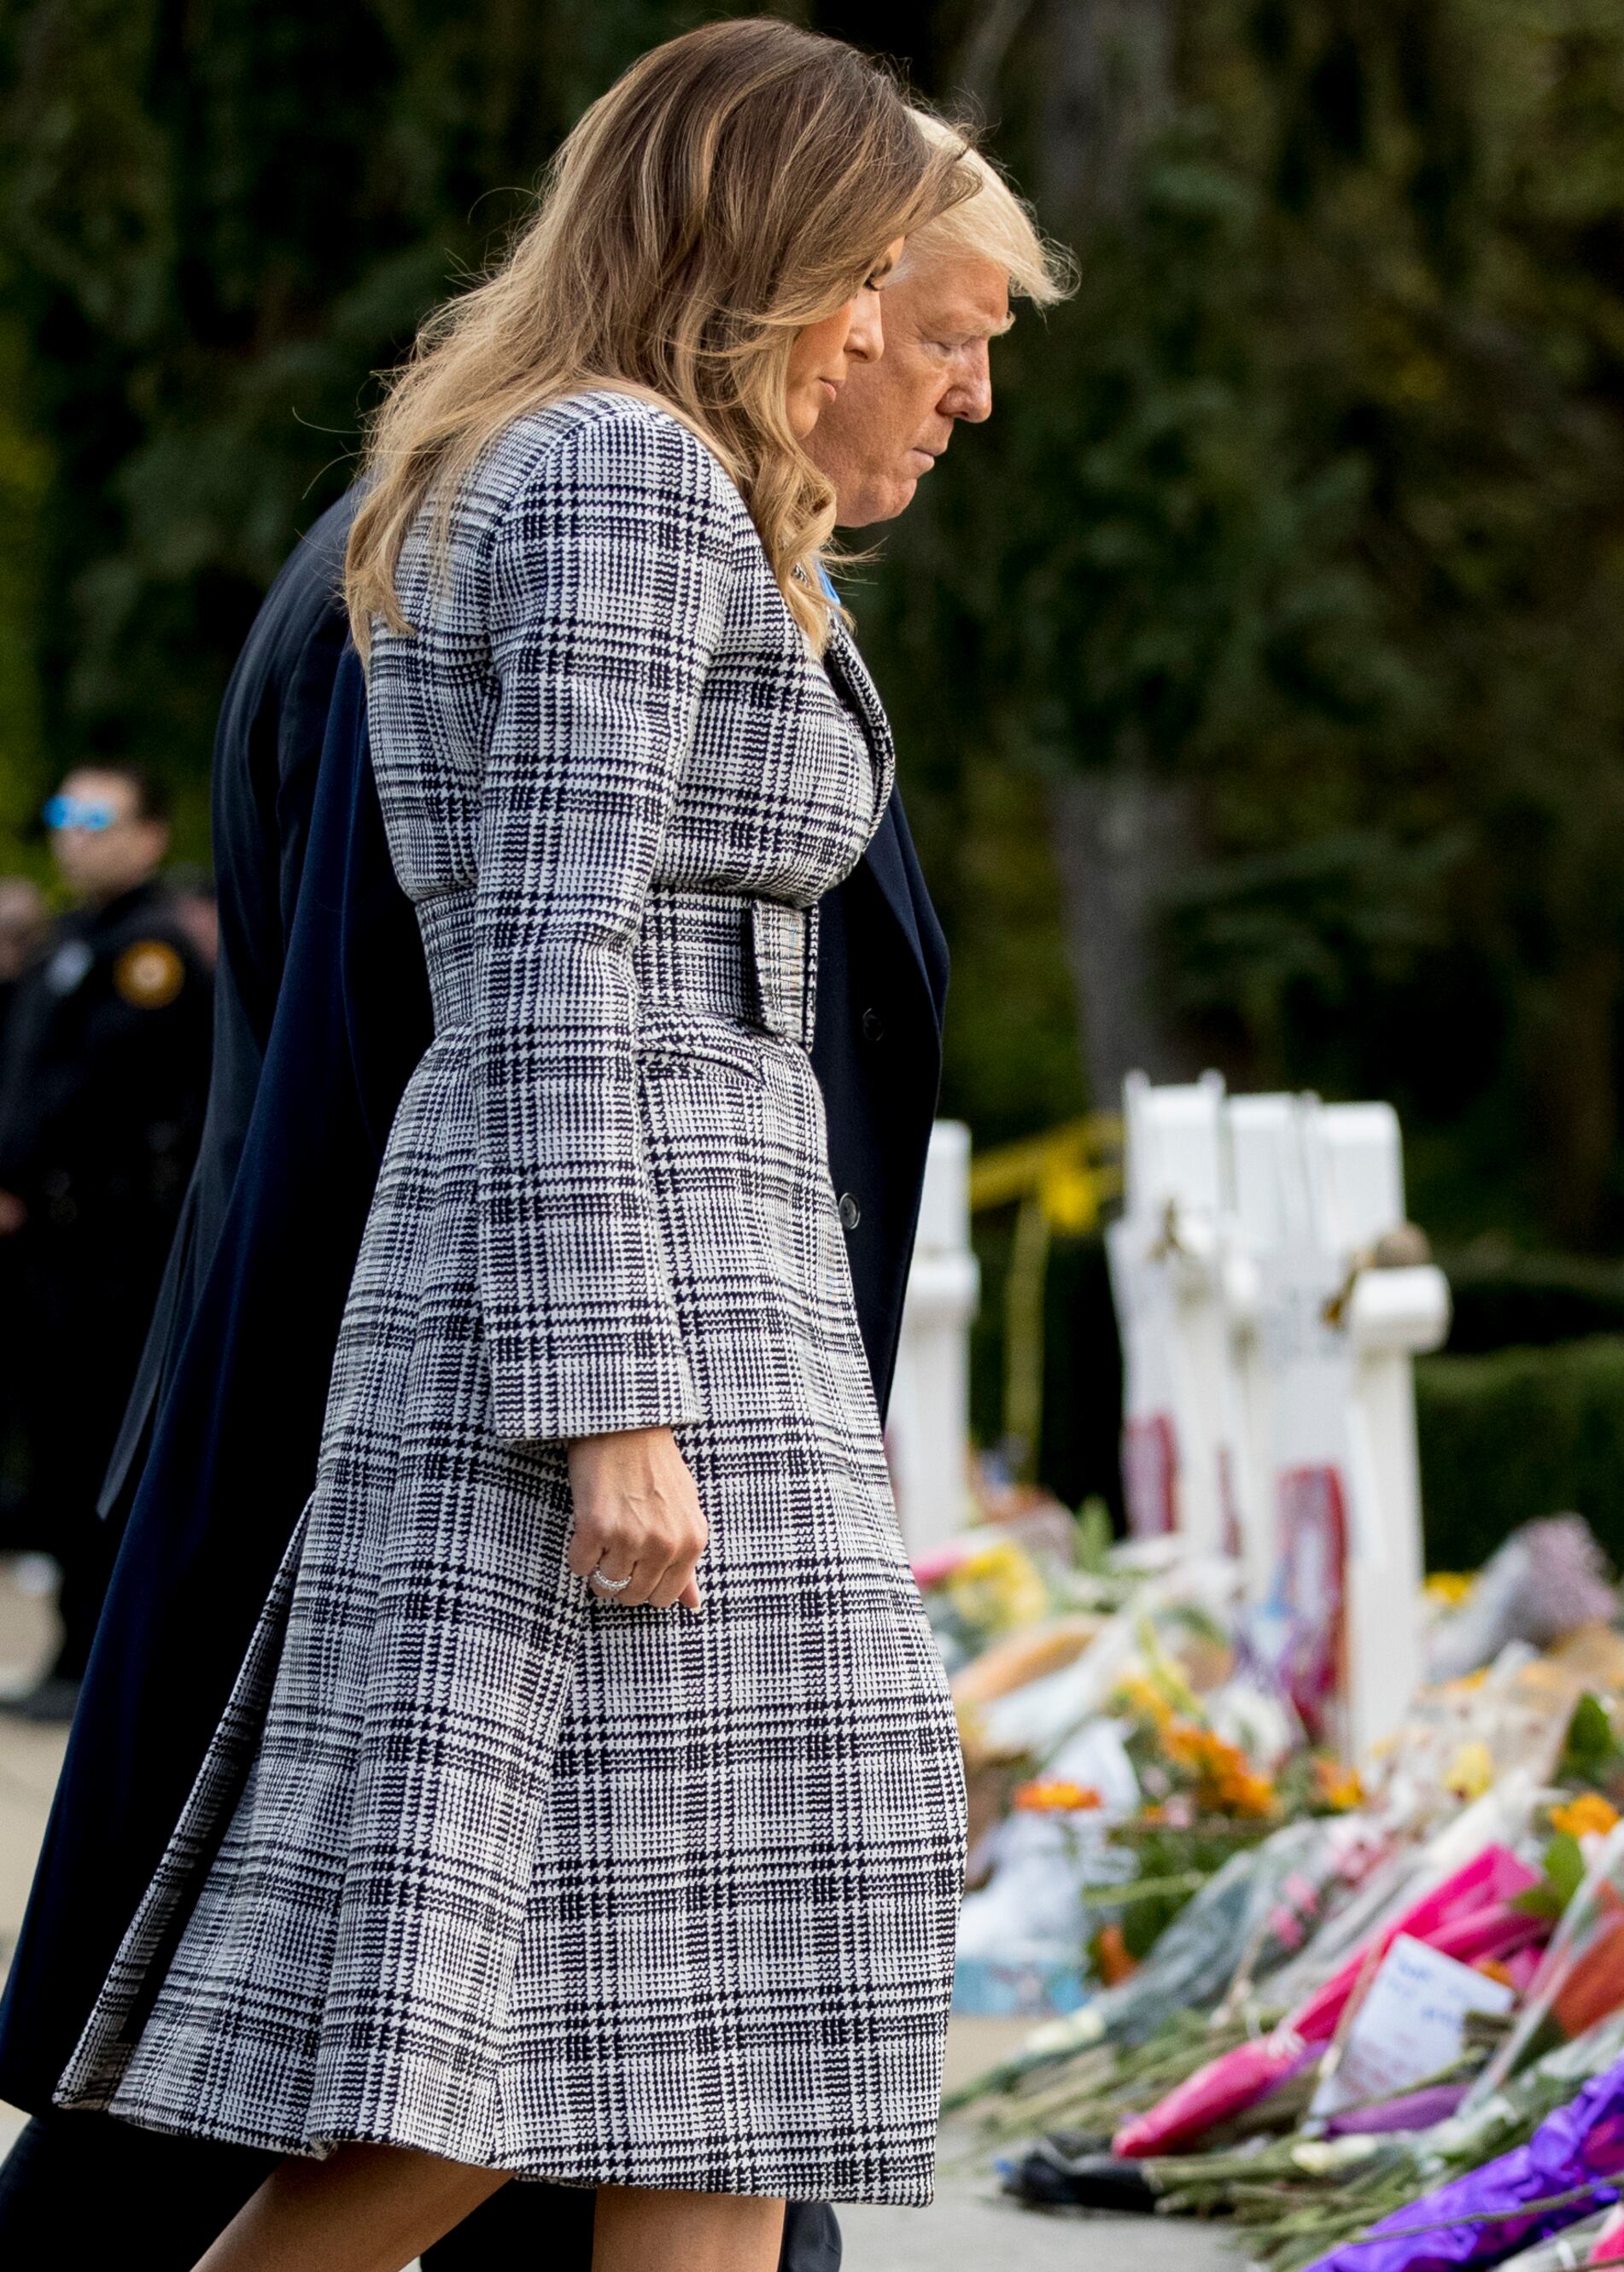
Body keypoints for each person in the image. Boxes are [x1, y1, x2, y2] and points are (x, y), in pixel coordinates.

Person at [0, 117, 1069, 2268]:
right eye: (930, 318)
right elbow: (545, 966)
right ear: (804, 260)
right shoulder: (613, 474)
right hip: (637, 1329)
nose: (959, 383)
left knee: (727, 2032)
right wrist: (612, 1407)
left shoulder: (661, 485)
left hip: (720, 1309)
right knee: (500, 2064)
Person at [0, 766, 211, 1717]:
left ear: (148, 837)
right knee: (54, 1441)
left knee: (98, 1446)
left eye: (96, 818)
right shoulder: (69, 942)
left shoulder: (150, 953)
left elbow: (96, 1096)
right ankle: (71, 1649)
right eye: (63, 815)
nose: (73, 834)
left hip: (116, 1246)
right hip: (50, 1237)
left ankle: (96, 1660)